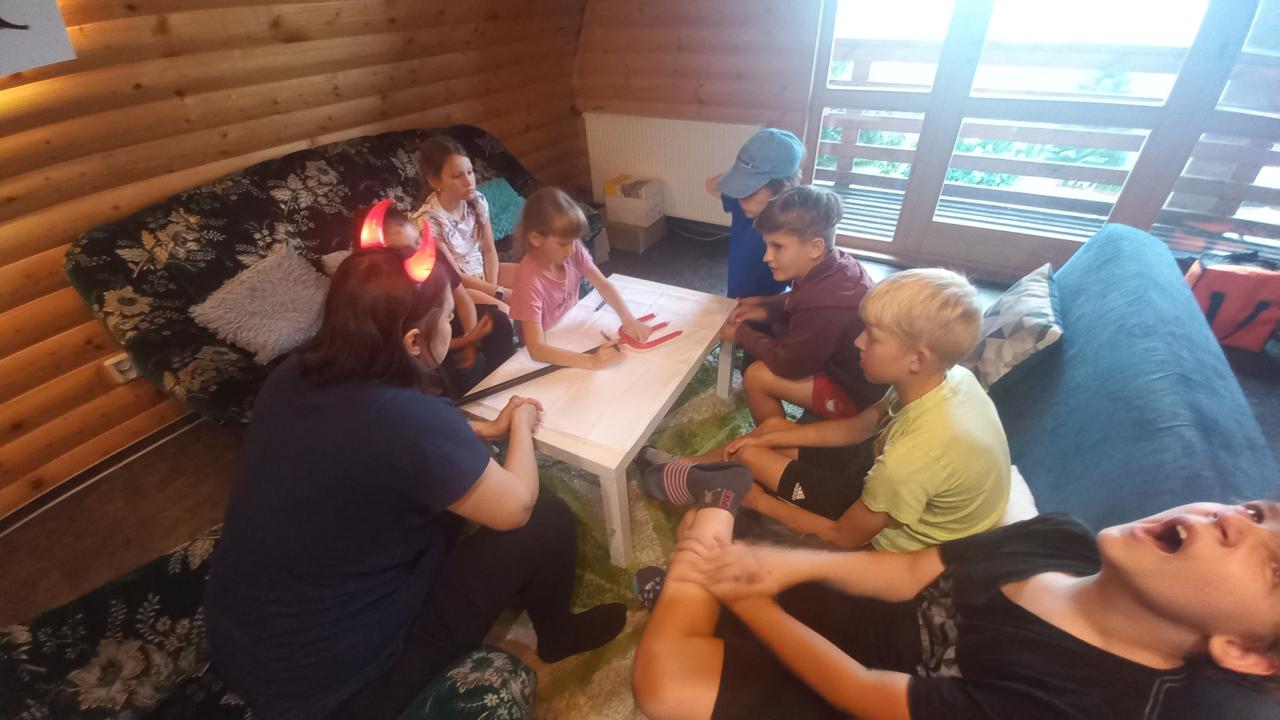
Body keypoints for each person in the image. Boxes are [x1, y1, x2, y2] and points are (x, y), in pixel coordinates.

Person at [205, 209, 625, 720]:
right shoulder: (407, 419)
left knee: (447, 500)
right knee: (545, 517)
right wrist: (519, 424)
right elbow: (515, 506)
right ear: (412, 341)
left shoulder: (292, 375)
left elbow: (374, 445)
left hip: (246, 643)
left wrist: (477, 430)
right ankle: (557, 634)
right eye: (446, 318)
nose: (451, 325)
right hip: (347, 686)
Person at [632, 494, 1280, 720]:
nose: (1231, 520)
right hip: (872, 625)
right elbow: (911, 570)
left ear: (1243, 650)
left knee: (662, 682)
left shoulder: (1086, 704)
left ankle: (705, 567)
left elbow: (862, 691)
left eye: (1273, 567)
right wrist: (794, 566)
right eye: (1255, 511)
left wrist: (751, 600)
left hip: (869, 695)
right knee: (736, 547)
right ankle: (707, 568)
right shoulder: (1061, 536)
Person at [643, 269, 1009, 551]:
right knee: (766, 437)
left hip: (886, 542)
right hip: (874, 470)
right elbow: (860, 427)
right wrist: (776, 435)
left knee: (749, 461)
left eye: (873, 336)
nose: (858, 341)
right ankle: (685, 467)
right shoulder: (945, 377)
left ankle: (687, 476)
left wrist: (760, 502)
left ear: (918, 358)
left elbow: (845, 535)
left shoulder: (912, 459)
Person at [718, 185, 884, 424]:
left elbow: (789, 365)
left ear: (815, 247)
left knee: (756, 376)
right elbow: (800, 301)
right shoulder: (836, 263)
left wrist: (741, 334)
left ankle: (774, 439)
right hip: (838, 365)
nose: (767, 256)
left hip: (855, 397)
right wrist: (764, 306)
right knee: (765, 329)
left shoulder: (827, 304)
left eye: (778, 246)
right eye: (767, 245)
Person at [508, 186, 653, 370]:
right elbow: (536, 349)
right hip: (546, 348)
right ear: (536, 238)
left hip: (570, 326)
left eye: (573, 241)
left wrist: (629, 320)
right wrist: (592, 361)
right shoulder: (529, 281)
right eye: (563, 243)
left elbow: (603, 284)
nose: (571, 250)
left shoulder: (571, 247)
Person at [411, 137, 516, 375]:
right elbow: (455, 277)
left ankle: (539, 348)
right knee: (505, 310)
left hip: (483, 272)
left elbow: (489, 250)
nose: (468, 181)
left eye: (470, 172)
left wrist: (494, 287)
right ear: (435, 181)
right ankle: (503, 371)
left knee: (535, 279)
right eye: (457, 176)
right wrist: (499, 293)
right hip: (458, 285)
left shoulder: (477, 200)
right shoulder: (428, 220)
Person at [704, 128, 805, 300]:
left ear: (783, 189)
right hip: (734, 300)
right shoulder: (743, 204)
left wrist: (762, 306)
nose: (741, 198)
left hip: (768, 308)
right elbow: (711, 185)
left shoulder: (794, 229)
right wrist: (740, 172)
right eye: (740, 188)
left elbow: (800, 293)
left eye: (750, 190)